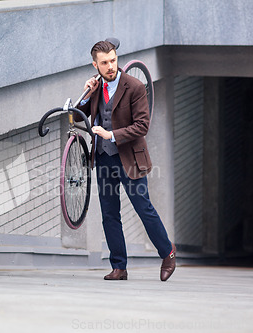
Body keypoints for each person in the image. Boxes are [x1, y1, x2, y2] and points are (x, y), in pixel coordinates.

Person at [76, 40, 176, 281]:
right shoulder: (97, 87)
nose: (110, 66)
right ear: (95, 65)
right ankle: (119, 266)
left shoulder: (135, 86)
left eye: (113, 60)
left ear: (116, 59)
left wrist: (111, 134)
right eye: (104, 63)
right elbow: (80, 115)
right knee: (110, 214)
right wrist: (85, 93)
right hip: (103, 159)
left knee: (144, 209)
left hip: (130, 159)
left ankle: (168, 253)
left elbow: (142, 126)